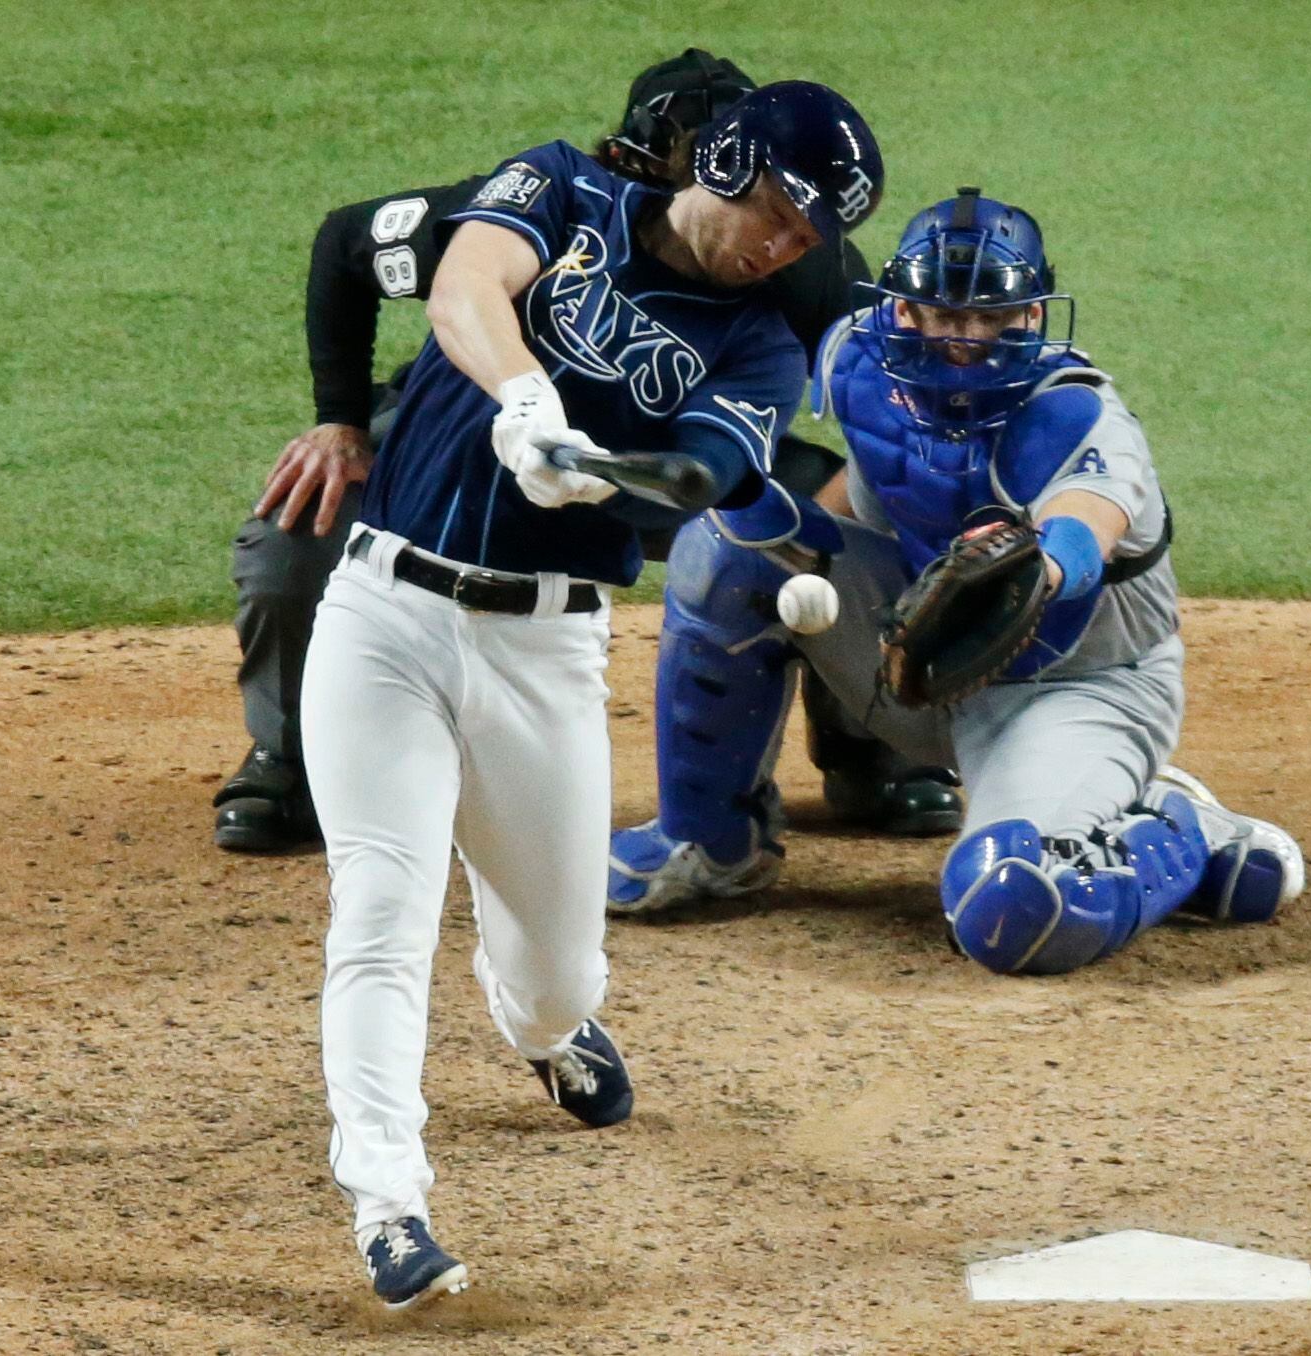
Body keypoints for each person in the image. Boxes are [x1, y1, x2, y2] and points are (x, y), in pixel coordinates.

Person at [300, 83, 884, 1306]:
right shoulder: (564, 186)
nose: (785, 244)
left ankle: (547, 1032)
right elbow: (465, 289)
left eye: (805, 234)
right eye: (776, 211)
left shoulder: (760, 344)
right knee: (382, 904)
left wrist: (606, 477)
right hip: (383, 617)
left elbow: (702, 472)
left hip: (543, 654)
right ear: (723, 162)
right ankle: (389, 1202)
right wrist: (526, 403)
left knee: (561, 968)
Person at [214, 50, 954, 853]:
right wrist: (340, 422)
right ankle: (289, 758)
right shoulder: (557, 196)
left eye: (791, 224)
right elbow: (350, 247)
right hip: (477, 426)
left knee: (846, 528)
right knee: (303, 516)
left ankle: (871, 749)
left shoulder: (808, 274)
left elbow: (891, 407)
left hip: (673, 457)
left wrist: (845, 506)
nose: (772, 238)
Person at [607, 188, 1306, 973]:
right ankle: (708, 843)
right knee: (732, 543)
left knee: (1014, 910)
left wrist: (1030, 569)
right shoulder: (859, 363)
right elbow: (857, 508)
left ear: (1033, 319)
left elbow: (1084, 529)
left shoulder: (1077, 416)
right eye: (942, 315)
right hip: (918, 664)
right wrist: (812, 585)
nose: (963, 340)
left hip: (1068, 692)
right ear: (903, 311)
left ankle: (1175, 824)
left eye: (990, 319)